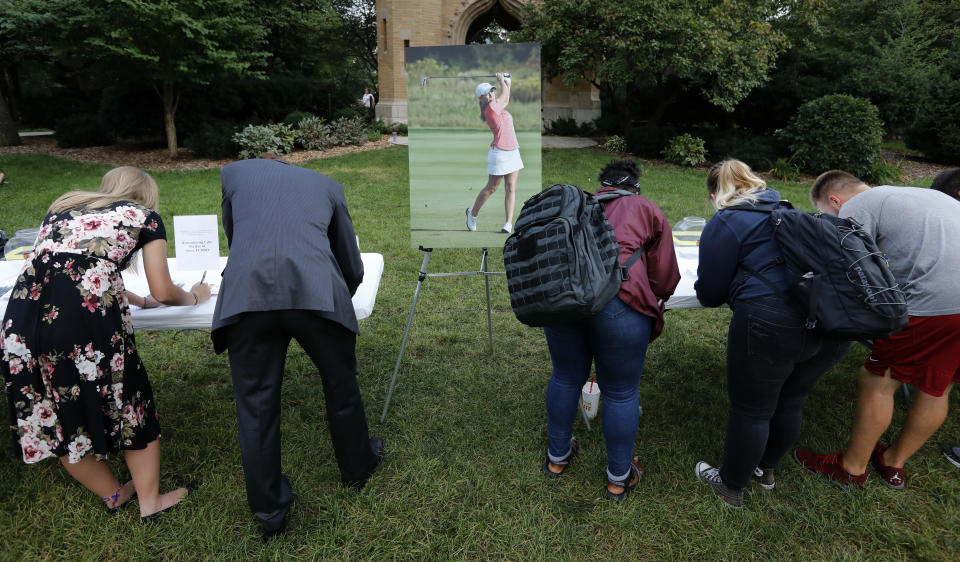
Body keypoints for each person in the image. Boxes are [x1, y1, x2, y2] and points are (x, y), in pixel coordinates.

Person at [0, 166, 211, 521]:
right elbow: (163, 289)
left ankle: (114, 494)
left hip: (23, 323)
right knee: (131, 401)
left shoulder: (64, 207)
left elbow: (72, 266)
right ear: (147, 195)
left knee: (57, 410)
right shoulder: (145, 217)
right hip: (84, 323)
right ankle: (150, 502)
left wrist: (140, 302)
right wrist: (192, 297)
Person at [211, 154, 383, 541]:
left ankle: (270, 514)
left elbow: (236, 237)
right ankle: (358, 469)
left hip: (248, 296)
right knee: (342, 386)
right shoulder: (328, 186)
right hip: (316, 292)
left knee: (255, 405)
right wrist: (342, 292)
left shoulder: (234, 175)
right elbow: (350, 262)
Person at [693, 160, 851, 507]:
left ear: (715, 193)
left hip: (770, 321)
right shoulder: (791, 210)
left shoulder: (728, 220)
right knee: (791, 399)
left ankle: (731, 486)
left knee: (752, 409)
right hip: (831, 321)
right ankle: (766, 470)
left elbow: (709, 294)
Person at [795, 171, 960, 489]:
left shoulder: (859, 206)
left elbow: (845, 266)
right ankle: (893, 462)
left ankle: (851, 468)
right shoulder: (916, 196)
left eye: (827, 215)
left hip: (932, 301)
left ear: (835, 201)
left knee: (880, 379)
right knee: (938, 384)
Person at [541, 159, 680, 501]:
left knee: (564, 377)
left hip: (563, 302)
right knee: (620, 392)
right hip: (622, 304)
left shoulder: (574, 205)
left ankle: (557, 458)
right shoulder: (646, 208)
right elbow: (665, 279)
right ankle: (619, 477)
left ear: (601, 185)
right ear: (635, 185)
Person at [466, 71, 523, 234]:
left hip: (513, 151)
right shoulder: (490, 109)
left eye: (491, 91)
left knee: (511, 188)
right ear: (481, 99)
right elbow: (504, 98)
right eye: (486, 93)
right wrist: (501, 81)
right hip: (500, 153)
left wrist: (508, 84)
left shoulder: (497, 104)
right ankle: (473, 213)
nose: (490, 94)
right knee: (491, 188)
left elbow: (506, 98)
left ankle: (508, 224)